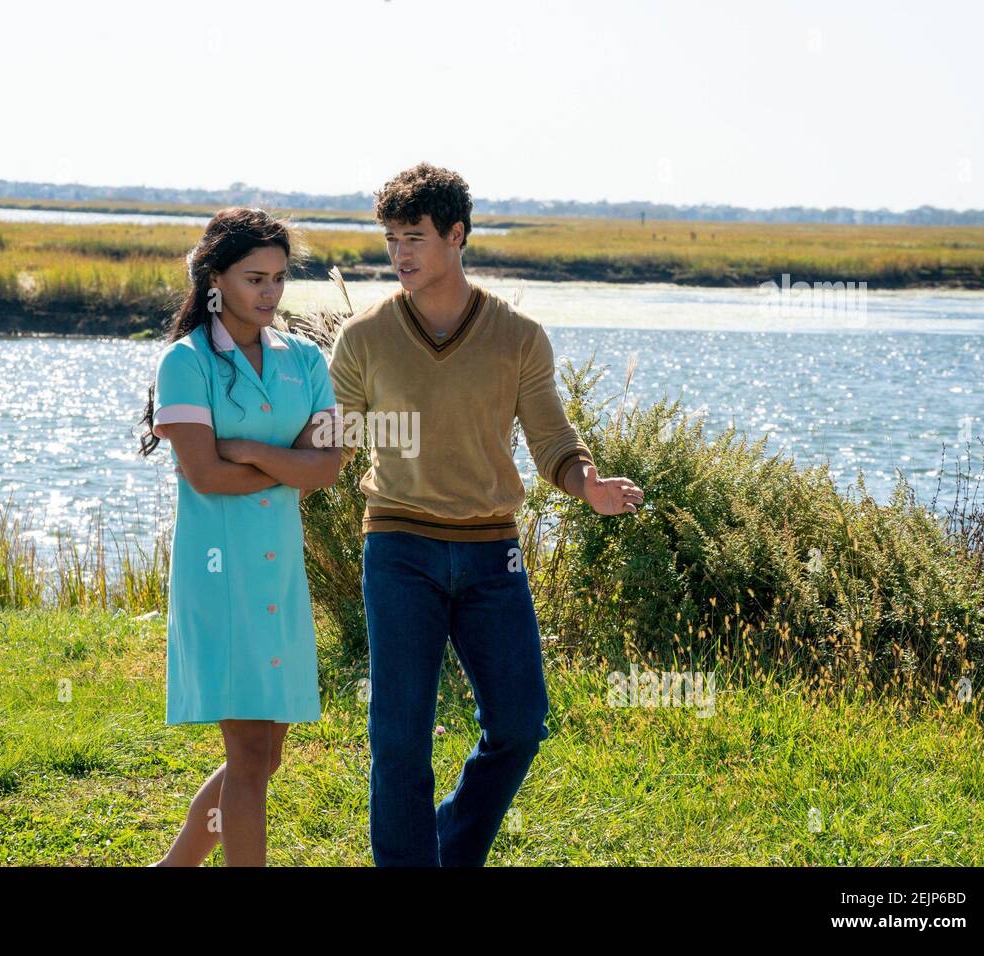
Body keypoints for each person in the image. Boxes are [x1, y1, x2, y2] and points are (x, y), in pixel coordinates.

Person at [329, 163, 645, 866]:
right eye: (390, 240)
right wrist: (256, 461)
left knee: (519, 724)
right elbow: (336, 444)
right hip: (398, 548)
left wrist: (586, 483)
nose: (400, 254)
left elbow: (553, 440)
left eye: (414, 237)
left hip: (490, 555)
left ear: (457, 235)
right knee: (399, 738)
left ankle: (447, 844)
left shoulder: (518, 336)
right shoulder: (363, 337)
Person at [138, 207, 341, 866]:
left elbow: (329, 466)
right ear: (215, 279)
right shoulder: (185, 362)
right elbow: (203, 474)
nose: (270, 294)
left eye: (279, 279)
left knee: (265, 755)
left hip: (280, 580)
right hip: (218, 579)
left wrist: (249, 447)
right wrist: (287, 464)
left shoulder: (306, 359)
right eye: (256, 278)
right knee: (250, 755)